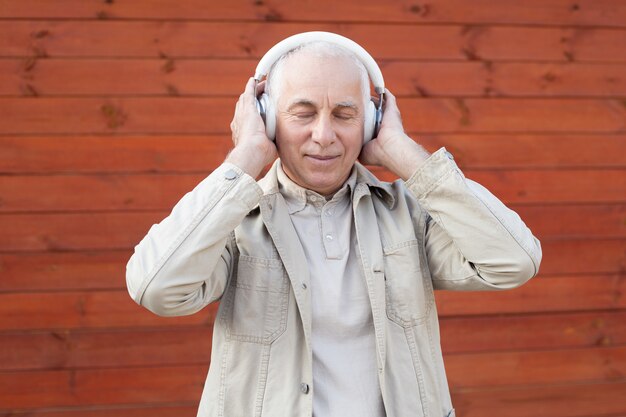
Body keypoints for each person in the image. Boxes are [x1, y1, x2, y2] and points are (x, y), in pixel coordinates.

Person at [126, 32, 542, 417]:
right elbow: (157, 287)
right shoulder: (232, 220)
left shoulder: (408, 214)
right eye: (303, 113)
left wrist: (404, 153)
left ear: (372, 121)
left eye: (345, 114)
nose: (323, 135)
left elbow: (513, 261)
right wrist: (244, 158)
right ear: (267, 119)